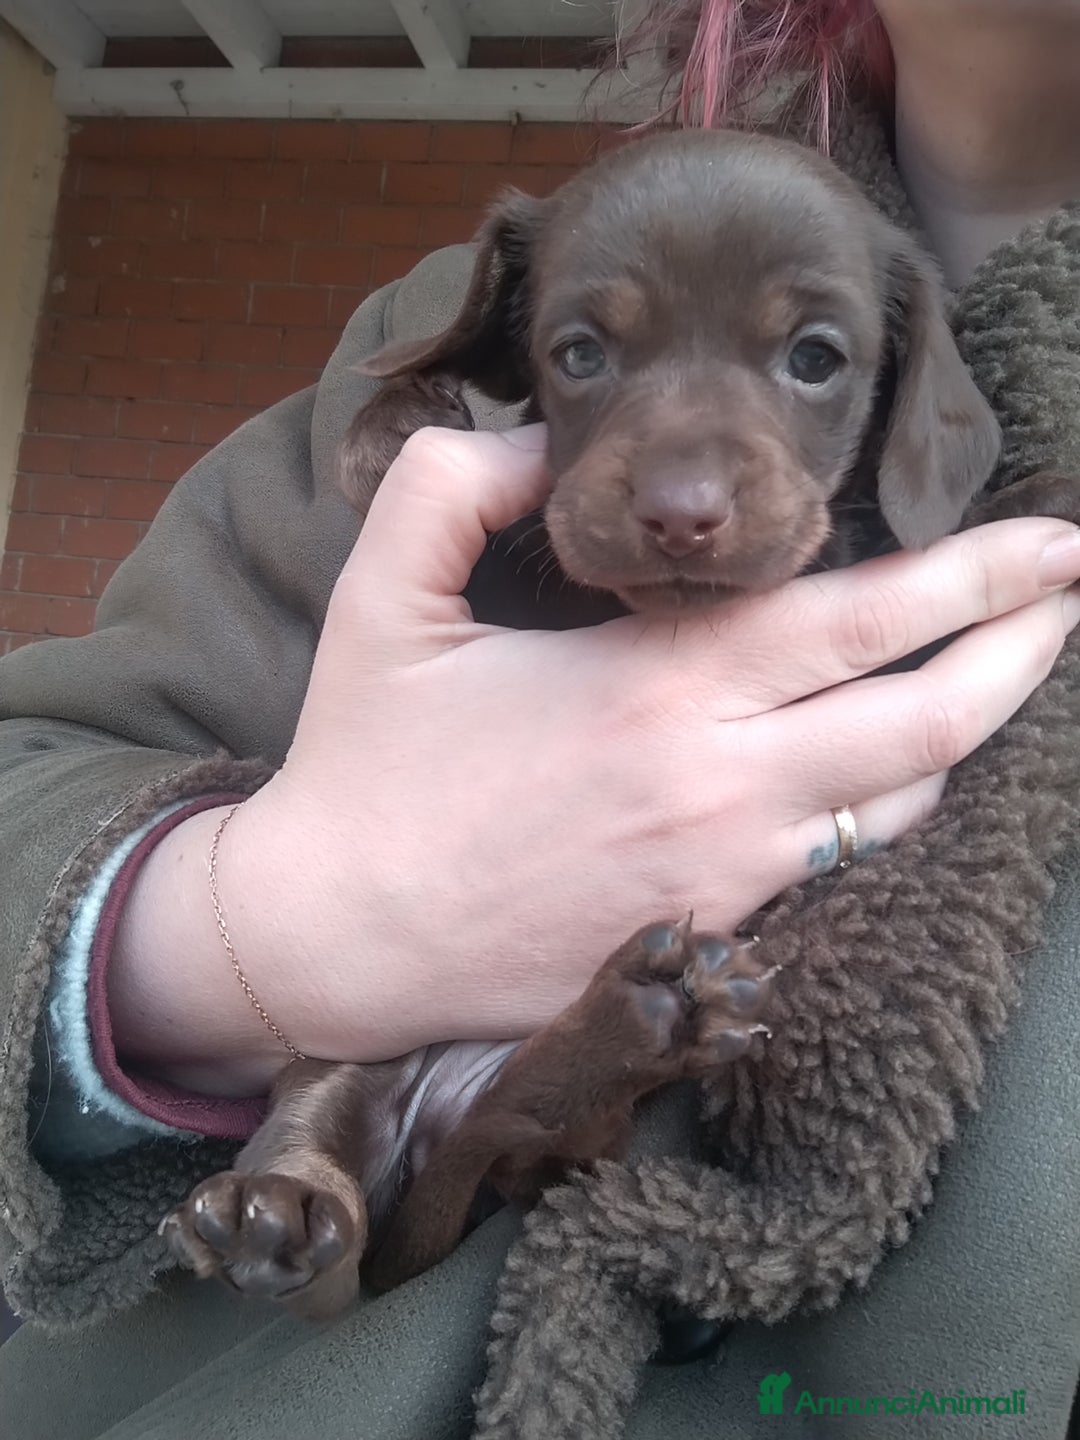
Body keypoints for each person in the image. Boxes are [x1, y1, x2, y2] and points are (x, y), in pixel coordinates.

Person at [1, 1, 1078, 1436]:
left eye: (809, 357)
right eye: (588, 356)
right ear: (517, 346)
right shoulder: (421, 373)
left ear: (912, 392)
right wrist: (264, 926)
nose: (687, 492)